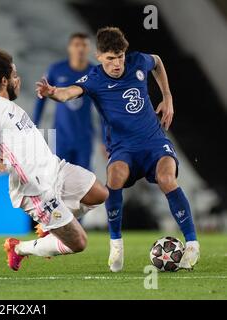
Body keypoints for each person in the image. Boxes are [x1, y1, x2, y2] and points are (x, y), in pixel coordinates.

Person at [35, 27, 200, 271]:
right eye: (110, 58)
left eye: (120, 56)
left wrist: (168, 97)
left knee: (167, 178)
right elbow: (70, 92)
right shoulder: (94, 78)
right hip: (124, 148)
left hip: (154, 142)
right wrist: (53, 93)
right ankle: (116, 244)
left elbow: (157, 61)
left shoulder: (137, 62)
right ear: (99, 56)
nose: (117, 63)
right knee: (114, 179)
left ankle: (193, 245)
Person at [0, 49, 108, 271]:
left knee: (99, 193)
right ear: (4, 81)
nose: (18, 79)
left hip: (54, 169)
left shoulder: (0, 101)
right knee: (79, 243)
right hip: (35, 190)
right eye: (14, 75)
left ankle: (52, 224)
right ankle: (19, 248)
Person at [33, 33, 95, 169]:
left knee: (84, 181)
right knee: (59, 178)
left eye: (84, 45)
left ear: (89, 48)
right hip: (61, 137)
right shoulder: (56, 69)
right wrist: (34, 126)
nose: (80, 49)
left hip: (84, 138)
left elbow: (103, 108)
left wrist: (106, 140)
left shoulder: (94, 72)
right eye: (76, 45)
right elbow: (40, 98)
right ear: (69, 48)